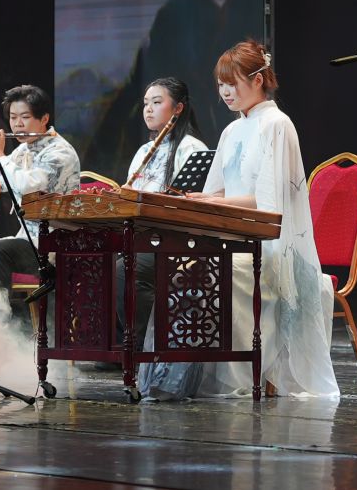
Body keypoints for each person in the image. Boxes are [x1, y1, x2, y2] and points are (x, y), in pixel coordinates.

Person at [137, 40, 338, 399]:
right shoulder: (232, 130)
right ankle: (170, 375)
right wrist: (201, 198)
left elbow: (269, 202)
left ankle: (216, 373)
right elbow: (218, 190)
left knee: (206, 270)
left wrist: (217, 200)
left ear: (258, 80)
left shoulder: (277, 124)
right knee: (179, 265)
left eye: (233, 83)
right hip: (235, 236)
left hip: (268, 245)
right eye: (221, 84)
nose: (225, 92)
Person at [114, 78, 207, 352]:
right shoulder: (144, 151)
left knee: (125, 269)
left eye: (156, 102)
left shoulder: (191, 148)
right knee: (99, 260)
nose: (148, 109)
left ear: (178, 108)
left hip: (174, 240)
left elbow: (191, 205)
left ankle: (147, 348)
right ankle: (114, 346)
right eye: (146, 103)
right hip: (141, 236)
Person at [0, 85, 81, 293]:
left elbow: (28, 187)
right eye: (13, 117)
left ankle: (2, 312)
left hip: (55, 244)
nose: (17, 124)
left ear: (44, 119)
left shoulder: (60, 152)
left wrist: (1, 157)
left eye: (25, 117)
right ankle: (4, 310)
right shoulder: (23, 149)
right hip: (29, 239)